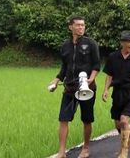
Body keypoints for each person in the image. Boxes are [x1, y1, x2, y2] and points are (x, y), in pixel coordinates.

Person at [48, 16, 100, 158]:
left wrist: (91, 79)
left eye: (83, 25)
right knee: (63, 118)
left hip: (86, 88)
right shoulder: (65, 45)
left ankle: (86, 147)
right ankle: (61, 151)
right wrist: (56, 80)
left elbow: (96, 65)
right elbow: (64, 67)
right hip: (70, 88)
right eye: (77, 25)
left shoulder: (91, 44)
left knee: (87, 119)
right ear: (70, 27)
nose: (81, 28)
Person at [102, 30, 130, 158]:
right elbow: (109, 75)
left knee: (123, 121)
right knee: (118, 124)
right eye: (129, 42)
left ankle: (124, 151)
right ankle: (128, 132)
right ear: (122, 42)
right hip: (117, 93)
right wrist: (106, 90)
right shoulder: (113, 57)